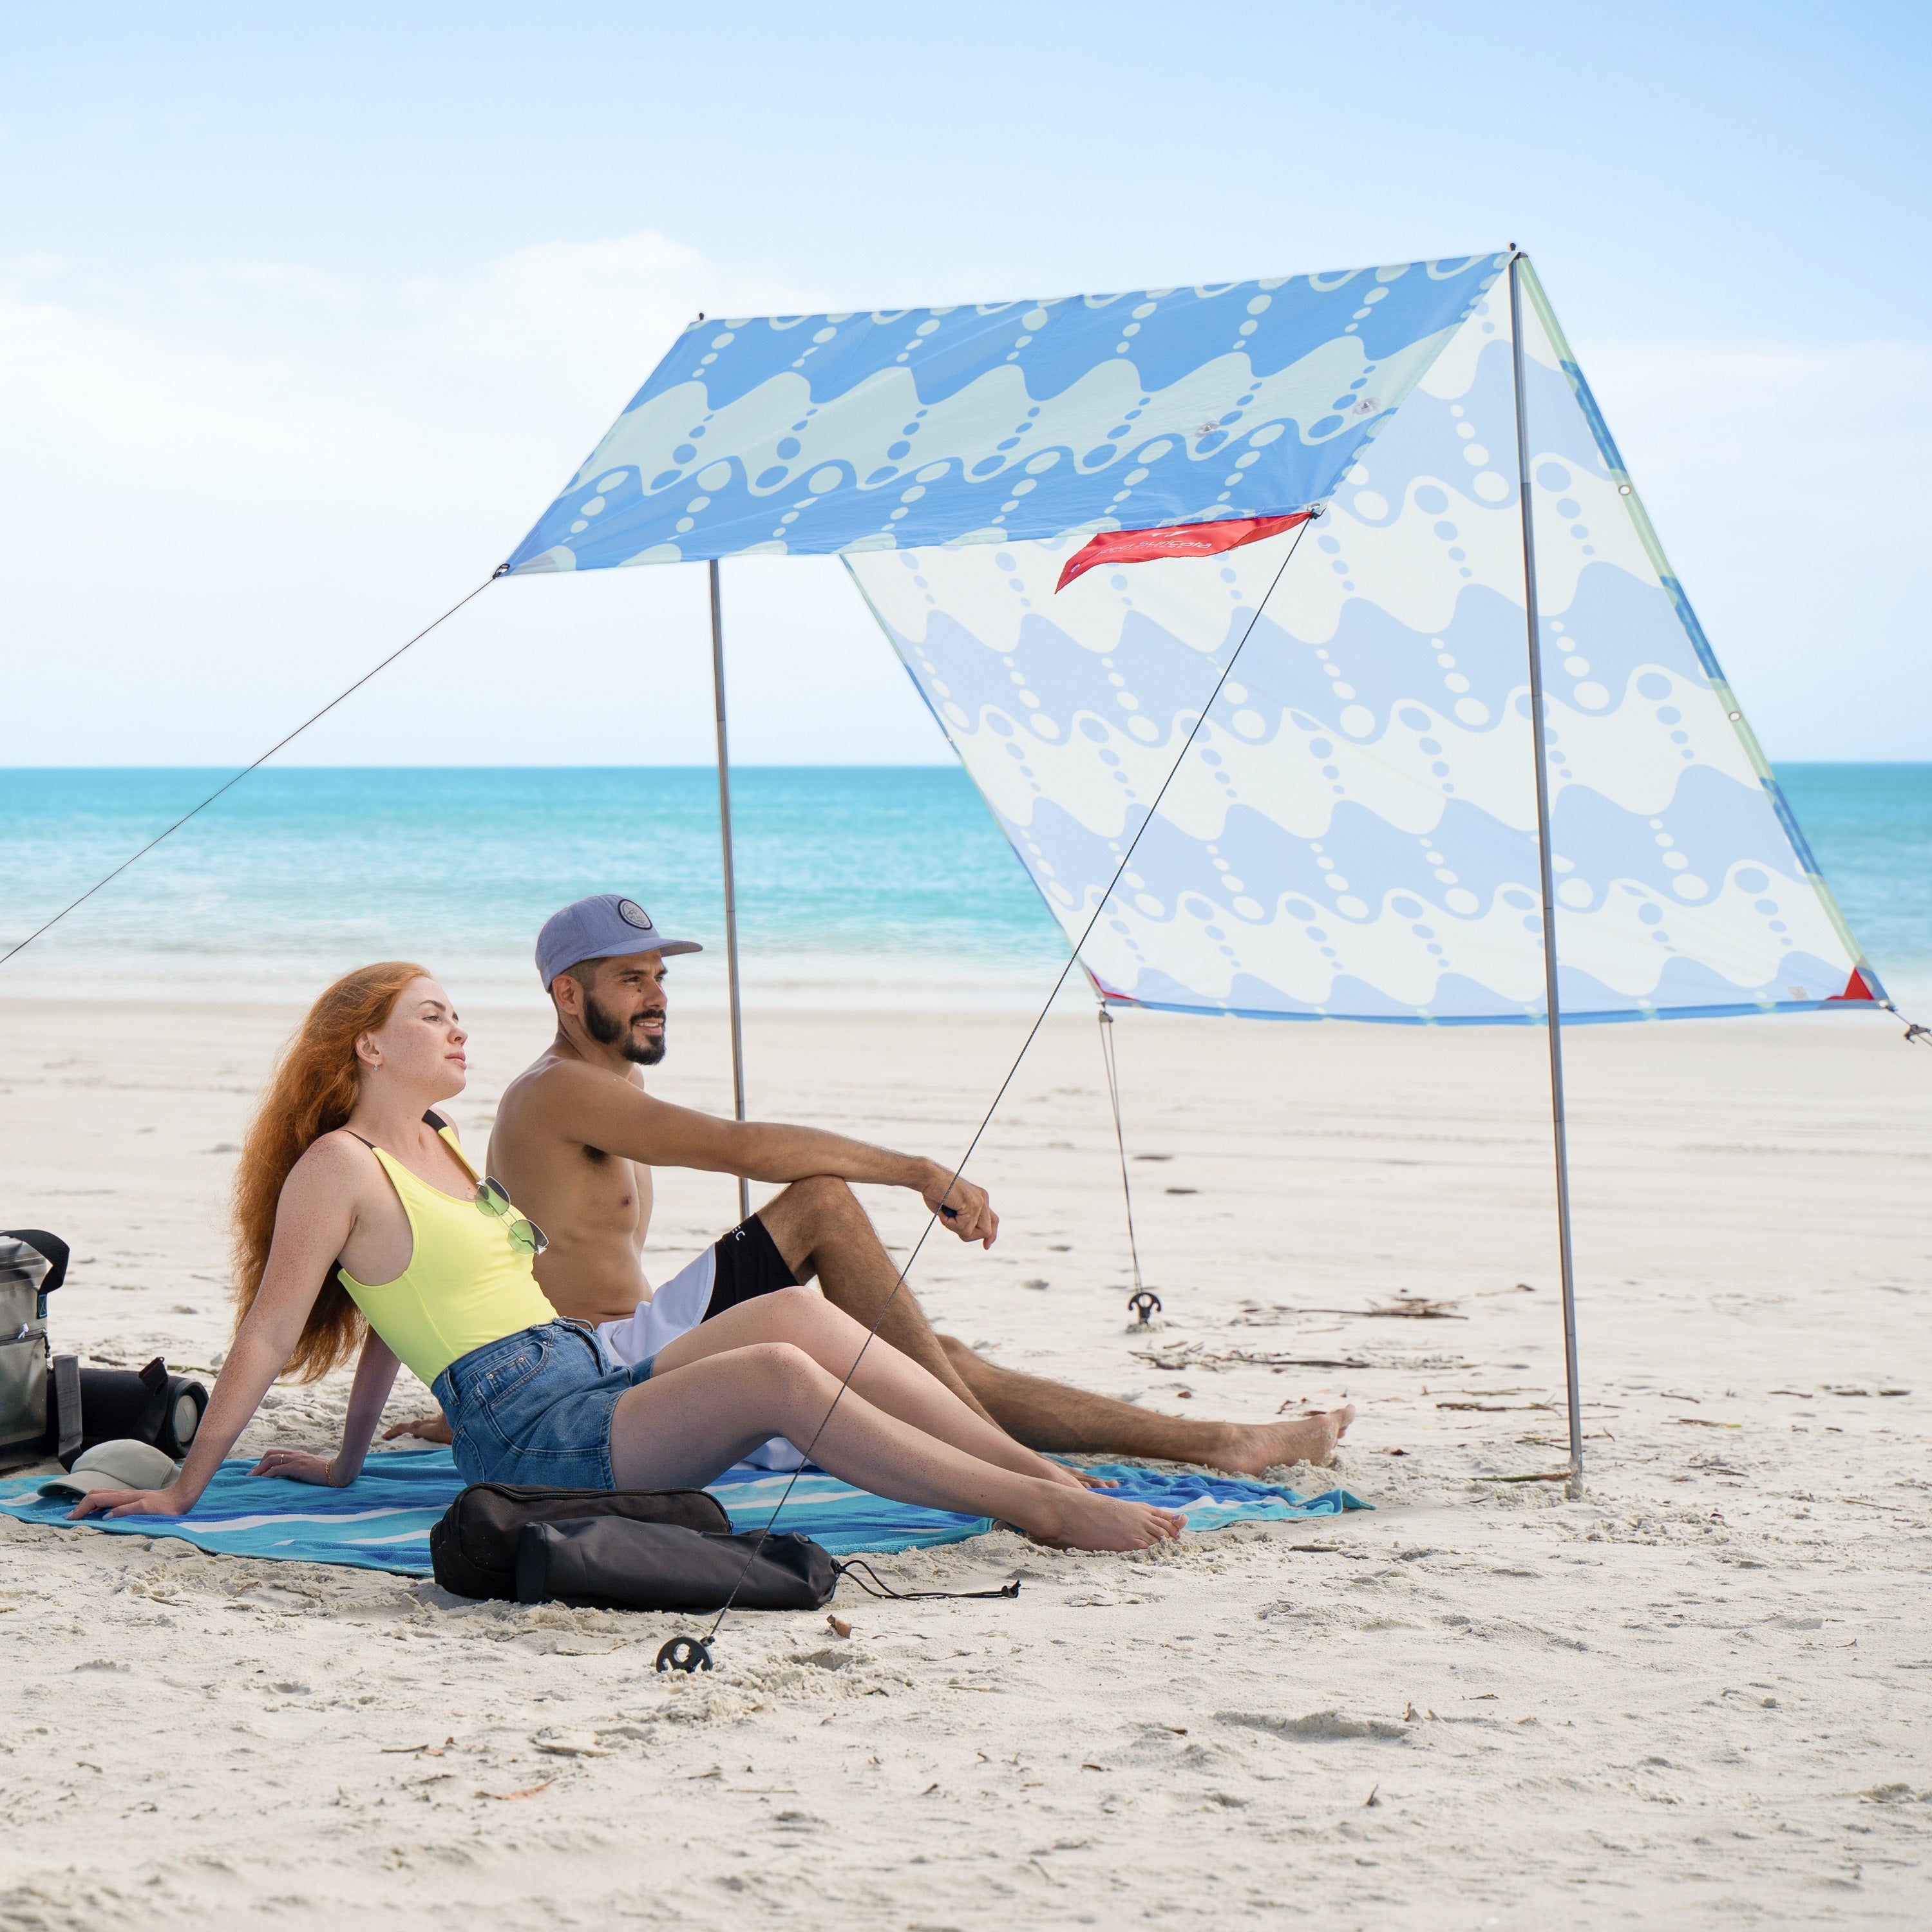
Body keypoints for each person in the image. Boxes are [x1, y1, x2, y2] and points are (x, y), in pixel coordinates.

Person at [70, 962, 1187, 1554]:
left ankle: (1041, 1472)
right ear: (369, 1043)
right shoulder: (339, 1164)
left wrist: (350, 1464)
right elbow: (274, 1329)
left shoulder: (441, 1145)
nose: (459, 1032)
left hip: (582, 1378)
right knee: (780, 1379)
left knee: (794, 1319)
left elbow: (383, 1319)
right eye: (433, 1017)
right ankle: (1037, 1508)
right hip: (528, 1433)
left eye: (460, 1016)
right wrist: (183, 1489)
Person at [426, 895, 1350, 1477]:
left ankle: (1221, 1443)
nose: (656, 995)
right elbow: (742, 1147)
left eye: (660, 977)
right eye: (631, 980)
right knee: (824, 1202)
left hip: (633, 1346)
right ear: (565, 995)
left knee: (924, 1354)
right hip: (608, 1363)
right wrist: (915, 1171)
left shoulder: (607, 1086)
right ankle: (1000, 1451)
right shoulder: (560, 1091)